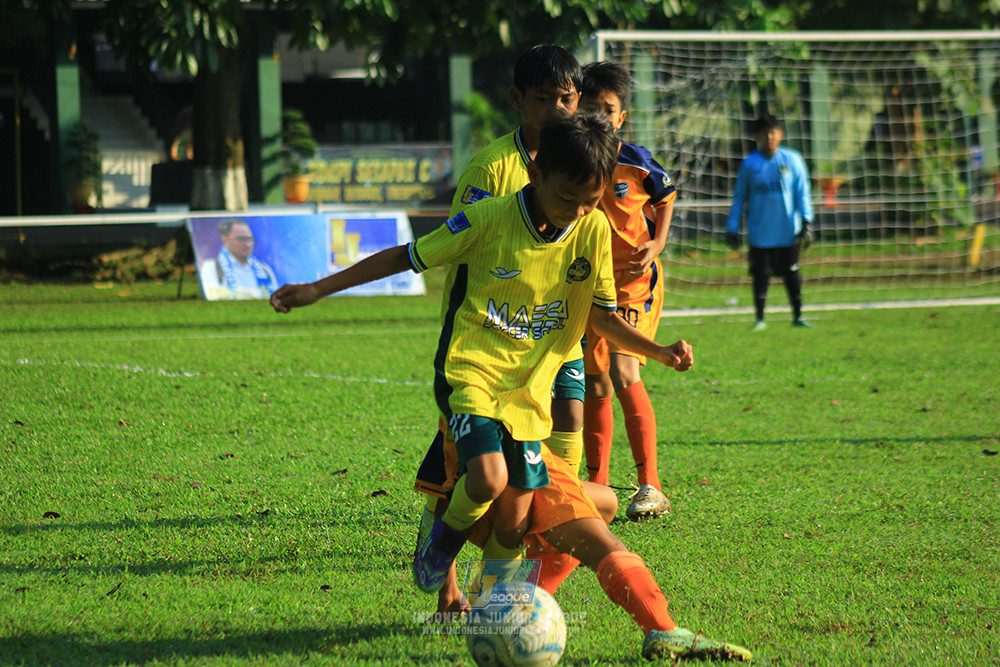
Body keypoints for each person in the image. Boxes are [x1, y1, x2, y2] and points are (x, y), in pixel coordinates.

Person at [271, 112, 694, 596]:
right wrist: (317, 289)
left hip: (529, 388)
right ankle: (441, 543)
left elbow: (600, 317)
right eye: (567, 198)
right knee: (488, 477)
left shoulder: (593, 230)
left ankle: (492, 606)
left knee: (513, 522)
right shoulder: (488, 218)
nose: (578, 211)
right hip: (472, 371)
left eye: (591, 201)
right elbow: (405, 256)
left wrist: (657, 351)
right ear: (536, 174)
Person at [430, 444, 752, 663]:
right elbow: (439, 500)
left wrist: (451, 596)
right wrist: (448, 592)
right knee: (605, 545)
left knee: (605, 502)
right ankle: (664, 631)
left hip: (519, 461)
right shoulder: (502, 377)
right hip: (523, 458)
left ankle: (505, 607)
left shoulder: (464, 388)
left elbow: (437, 496)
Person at [449, 44, 589, 475]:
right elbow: (456, 244)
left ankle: (559, 513)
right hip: (496, 328)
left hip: (555, 320)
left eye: (566, 99)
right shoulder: (490, 169)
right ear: (517, 99)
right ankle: (439, 521)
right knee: (479, 454)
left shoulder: (582, 158)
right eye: (543, 98)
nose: (556, 109)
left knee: (570, 411)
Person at [577, 61, 677, 521]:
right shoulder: (571, 159)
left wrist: (656, 243)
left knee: (624, 372)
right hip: (590, 289)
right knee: (594, 381)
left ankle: (650, 485)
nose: (599, 115)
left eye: (608, 109)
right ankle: (595, 488)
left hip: (635, 286)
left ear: (621, 117)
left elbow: (666, 194)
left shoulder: (636, 161)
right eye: (591, 107)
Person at [726, 114, 814, 330]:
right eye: (765, 133)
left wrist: (807, 221)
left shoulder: (792, 160)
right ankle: (760, 318)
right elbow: (739, 198)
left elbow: (803, 193)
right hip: (760, 232)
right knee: (761, 275)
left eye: (773, 132)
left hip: (788, 230)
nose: (770, 137)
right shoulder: (750, 164)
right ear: (757, 136)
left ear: (781, 134)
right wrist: (732, 227)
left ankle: (798, 315)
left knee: (792, 272)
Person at [198, 219, 279, 300]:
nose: (247, 244)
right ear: (225, 240)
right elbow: (213, 296)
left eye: (250, 239)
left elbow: (275, 298)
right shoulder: (211, 267)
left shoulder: (264, 270)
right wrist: (253, 294)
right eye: (242, 239)